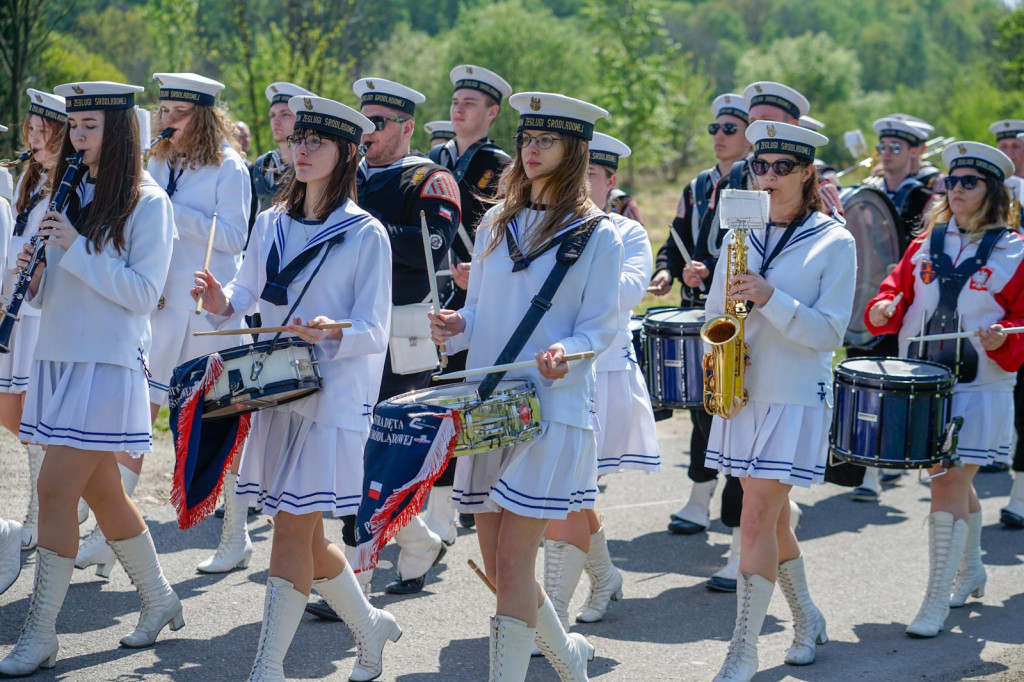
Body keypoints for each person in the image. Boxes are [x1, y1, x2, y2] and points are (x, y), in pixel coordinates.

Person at [192, 94, 400, 682]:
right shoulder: (271, 221)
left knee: (288, 529)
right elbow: (245, 296)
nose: (301, 150)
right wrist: (219, 301)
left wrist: (335, 329)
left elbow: (375, 329)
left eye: (317, 142)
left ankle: (268, 668)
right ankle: (370, 627)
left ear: (347, 153)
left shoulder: (366, 233)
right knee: (306, 539)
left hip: (331, 398)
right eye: (298, 139)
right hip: (275, 389)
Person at [429, 90, 619, 682]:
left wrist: (569, 352)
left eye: (547, 141)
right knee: (497, 564)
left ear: (574, 150)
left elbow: (601, 326)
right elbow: (483, 311)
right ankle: (570, 659)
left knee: (512, 564)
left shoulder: (599, 233)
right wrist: (458, 324)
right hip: (490, 407)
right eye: (527, 139)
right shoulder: (495, 221)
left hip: (550, 409)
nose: (531, 150)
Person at [0, 80, 181, 677]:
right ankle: (159, 598)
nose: (76, 137)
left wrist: (75, 248)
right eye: (73, 126)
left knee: (54, 491)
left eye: (89, 127)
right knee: (104, 495)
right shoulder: (70, 188)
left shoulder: (149, 201)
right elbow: (60, 288)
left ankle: (40, 634)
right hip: (59, 356)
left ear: (119, 131)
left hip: (105, 364)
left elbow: (143, 293)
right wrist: (34, 280)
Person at [71, 72, 252, 579]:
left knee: (222, 424)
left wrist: (170, 210)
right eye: (164, 111)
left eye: (179, 113)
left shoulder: (230, 166)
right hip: (158, 307)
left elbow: (235, 236)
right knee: (136, 416)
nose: (168, 121)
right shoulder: (155, 159)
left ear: (205, 118)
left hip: (206, 314)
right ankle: (108, 538)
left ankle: (236, 536)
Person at [706, 120, 856, 681]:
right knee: (769, 523)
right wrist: (719, 343)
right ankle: (807, 617)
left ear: (806, 173)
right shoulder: (739, 232)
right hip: (742, 392)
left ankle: (743, 651)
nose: (767, 177)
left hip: (794, 395)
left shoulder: (834, 241)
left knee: (754, 520)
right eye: (760, 166)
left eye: (782, 168)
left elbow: (829, 332)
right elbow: (712, 313)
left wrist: (770, 297)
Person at [865, 142, 1023, 638]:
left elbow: (1021, 320)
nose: (956, 190)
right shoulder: (925, 243)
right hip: (924, 382)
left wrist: (1004, 336)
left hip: (980, 386)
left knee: (947, 482)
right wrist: (886, 306)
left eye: (968, 182)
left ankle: (935, 598)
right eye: (951, 181)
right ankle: (971, 569)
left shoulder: (1016, 250)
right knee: (950, 478)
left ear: (992, 191)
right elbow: (895, 289)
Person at [679, 82, 813, 594]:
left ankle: (742, 547)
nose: (755, 130)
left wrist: (768, 291)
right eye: (751, 120)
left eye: (766, 119)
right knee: (723, 437)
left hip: (784, 345)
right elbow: (714, 242)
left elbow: (811, 263)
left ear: (793, 127)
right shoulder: (739, 176)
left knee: (761, 493)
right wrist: (706, 271)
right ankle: (797, 600)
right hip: (736, 323)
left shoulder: (814, 185)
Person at [541, 132, 659, 636]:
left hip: (605, 373)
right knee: (572, 491)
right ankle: (604, 578)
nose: (581, 181)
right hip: (556, 372)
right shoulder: (550, 224)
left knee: (571, 491)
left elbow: (626, 294)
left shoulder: (626, 232)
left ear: (611, 182)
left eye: (591, 174)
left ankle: (553, 614)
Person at [353, 76, 460, 597]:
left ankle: (360, 572)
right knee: (354, 447)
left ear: (406, 126)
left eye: (377, 122)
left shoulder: (429, 178)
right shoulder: (346, 173)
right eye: (362, 121)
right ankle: (415, 541)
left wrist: (356, 225)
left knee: (385, 449)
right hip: (349, 327)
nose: (367, 132)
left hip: (402, 332)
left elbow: (427, 247)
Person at [651, 94, 750, 565]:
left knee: (732, 410)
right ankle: (698, 497)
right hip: (696, 311)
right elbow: (674, 240)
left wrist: (708, 267)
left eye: (730, 128)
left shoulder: (753, 183)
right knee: (701, 408)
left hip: (735, 315)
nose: (719, 136)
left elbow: (745, 246)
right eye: (715, 128)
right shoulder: (697, 185)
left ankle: (738, 516)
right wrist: (667, 271)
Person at [427, 64, 514, 537]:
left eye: (471, 104)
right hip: (434, 292)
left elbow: (507, 235)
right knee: (433, 396)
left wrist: (478, 270)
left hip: (474, 298)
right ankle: (438, 509)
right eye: (456, 102)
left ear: (492, 112)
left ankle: (463, 504)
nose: (459, 109)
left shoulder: (500, 165)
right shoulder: (434, 157)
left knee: (465, 398)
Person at [1, 90, 66, 551]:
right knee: (11, 411)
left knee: (29, 412)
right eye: (32, 129)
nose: (35, 138)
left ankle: (41, 511)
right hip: (12, 303)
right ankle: (57, 495)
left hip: (37, 310)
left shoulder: (68, 184)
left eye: (45, 132)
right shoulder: (29, 177)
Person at [991, 120, 1024, 509]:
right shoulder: (994, 191)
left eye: (1016, 146)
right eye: (1005, 146)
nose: (1010, 152)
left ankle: (1020, 495)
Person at [251, 81, 316, 214]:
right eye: (272, 115)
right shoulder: (260, 165)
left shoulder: (315, 165)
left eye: (285, 114)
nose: (275, 121)